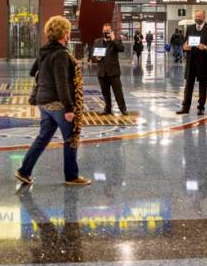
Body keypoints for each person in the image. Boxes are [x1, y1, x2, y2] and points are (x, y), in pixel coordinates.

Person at [15, 16, 91, 187]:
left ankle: (24, 171)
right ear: (64, 33)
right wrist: (70, 108)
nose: (69, 33)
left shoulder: (44, 51)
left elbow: (32, 71)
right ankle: (71, 176)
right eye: (69, 31)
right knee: (71, 138)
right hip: (58, 104)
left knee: (43, 138)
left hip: (44, 102)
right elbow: (62, 83)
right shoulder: (61, 54)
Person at [177, 10, 207, 116]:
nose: (198, 18)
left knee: (202, 86)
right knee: (188, 85)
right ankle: (185, 107)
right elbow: (185, 41)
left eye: (200, 16)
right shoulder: (190, 28)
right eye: (196, 16)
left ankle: (201, 107)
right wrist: (184, 46)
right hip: (191, 61)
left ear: (204, 17)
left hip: (204, 62)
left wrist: (205, 47)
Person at [93, 23, 127, 115]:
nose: (105, 33)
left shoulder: (116, 41)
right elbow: (94, 56)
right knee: (105, 93)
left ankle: (123, 109)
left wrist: (113, 40)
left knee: (118, 92)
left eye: (107, 31)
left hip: (113, 72)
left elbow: (121, 49)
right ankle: (107, 109)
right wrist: (96, 58)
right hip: (102, 72)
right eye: (104, 31)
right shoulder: (97, 41)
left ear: (111, 31)